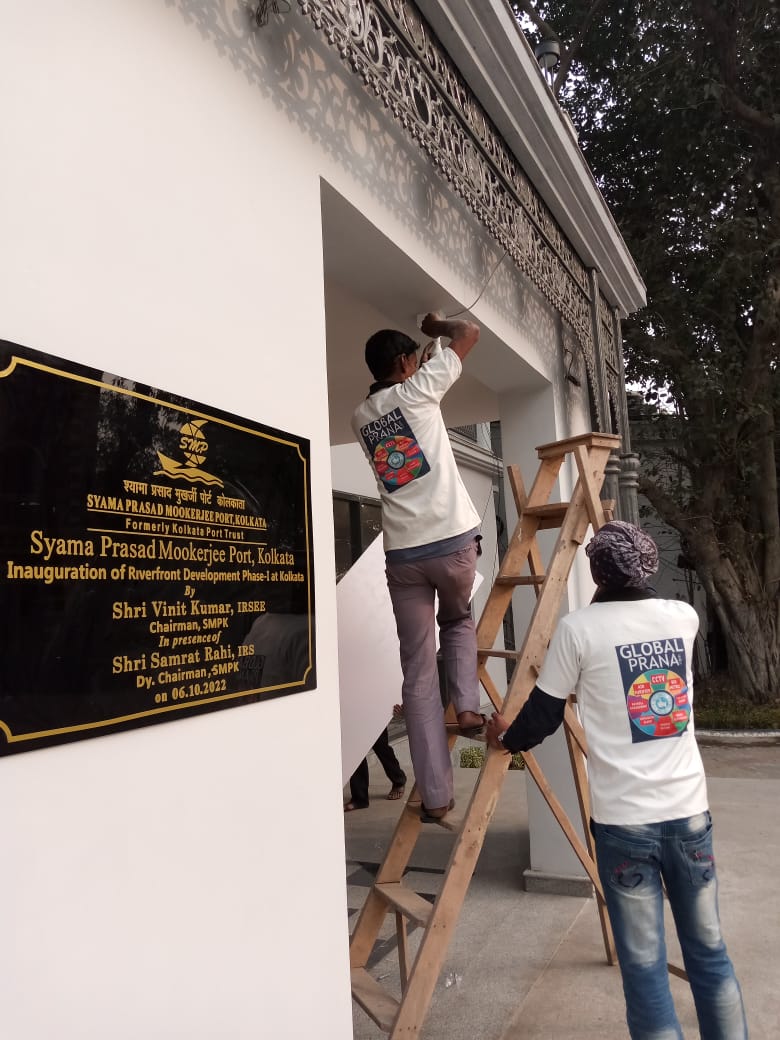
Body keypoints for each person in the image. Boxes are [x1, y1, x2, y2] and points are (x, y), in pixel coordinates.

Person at [486, 521, 747, 1040]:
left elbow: (542, 717)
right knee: (710, 953)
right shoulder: (683, 617)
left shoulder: (578, 630)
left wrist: (503, 738)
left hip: (624, 827)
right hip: (690, 815)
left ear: (597, 571)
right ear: (648, 565)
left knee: (646, 968)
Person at [351, 313, 485, 821]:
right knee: (458, 620)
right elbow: (468, 333)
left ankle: (435, 795)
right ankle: (468, 705)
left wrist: (423, 360)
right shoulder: (420, 393)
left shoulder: (361, 417)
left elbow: (404, 399)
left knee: (417, 673)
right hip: (451, 543)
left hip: (403, 556)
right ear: (406, 363)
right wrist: (436, 323)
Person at [344, 725, 407, 812]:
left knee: (380, 745)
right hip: (351, 714)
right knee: (355, 749)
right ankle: (359, 798)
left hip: (373, 713)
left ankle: (398, 780)